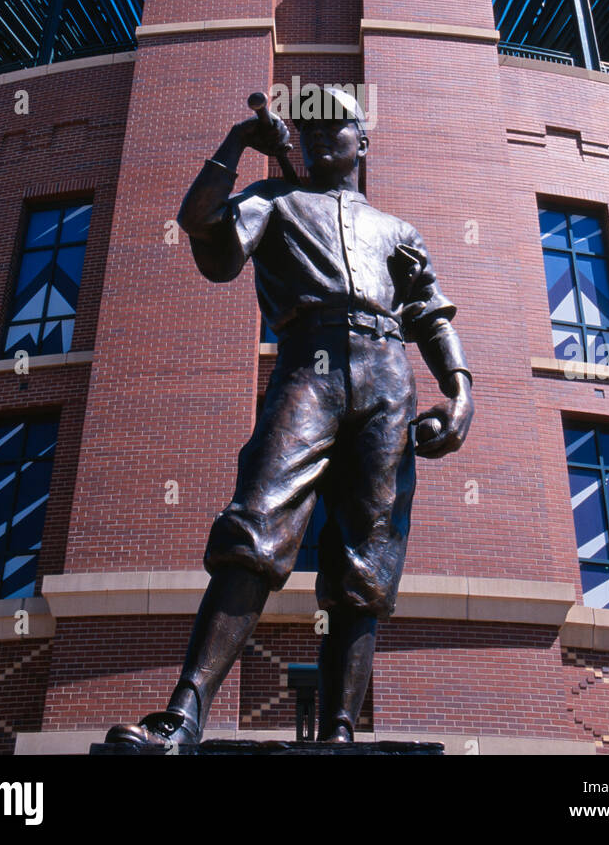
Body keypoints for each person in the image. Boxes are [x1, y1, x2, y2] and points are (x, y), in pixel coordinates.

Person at [105, 88, 474, 749]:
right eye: (310, 127)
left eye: (337, 125)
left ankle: (339, 732)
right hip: (311, 364)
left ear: (363, 141)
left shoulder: (396, 230)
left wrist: (460, 390)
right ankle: (185, 715)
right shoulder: (273, 201)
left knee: (369, 555)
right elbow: (200, 225)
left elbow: (429, 313)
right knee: (256, 524)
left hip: (389, 375)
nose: (321, 135)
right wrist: (238, 144)